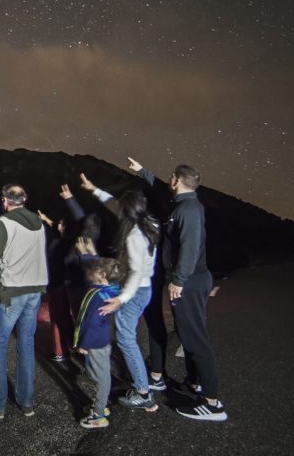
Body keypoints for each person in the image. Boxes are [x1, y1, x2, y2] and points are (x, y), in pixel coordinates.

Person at [128, 157, 228, 421]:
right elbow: (161, 191)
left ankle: (212, 402)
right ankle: (194, 383)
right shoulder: (183, 203)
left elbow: (190, 247)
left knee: (195, 339)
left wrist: (179, 280)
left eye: (170, 178)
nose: (168, 182)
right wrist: (143, 172)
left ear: (176, 179)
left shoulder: (189, 211)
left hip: (189, 281)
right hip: (191, 279)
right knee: (189, 334)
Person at [80, 174, 160, 412]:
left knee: (126, 339)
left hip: (136, 290)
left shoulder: (135, 235)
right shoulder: (149, 222)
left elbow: (136, 272)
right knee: (126, 337)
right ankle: (141, 385)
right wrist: (95, 188)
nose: (118, 210)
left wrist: (121, 299)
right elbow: (115, 204)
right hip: (144, 288)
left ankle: (144, 393)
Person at [0, 184, 48, 419]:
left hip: (13, 290)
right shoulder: (39, 223)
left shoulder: (4, 222)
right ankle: (26, 402)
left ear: (5, 201)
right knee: (26, 343)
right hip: (35, 289)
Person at [73, 257, 123, 428]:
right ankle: (100, 404)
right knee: (100, 374)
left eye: (93, 270)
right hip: (102, 340)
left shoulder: (97, 295)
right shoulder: (111, 290)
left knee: (99, 377)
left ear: (101, 275)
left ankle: (99, 415)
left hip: (95, 342)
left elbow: (92, 322)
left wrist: (84, 344)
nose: (89, 273)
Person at [38, 184, 85, 362]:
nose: (57, 224)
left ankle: (60, 351)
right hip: (73, 286)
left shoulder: (55, 244)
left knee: (58, 319)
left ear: (63, 227)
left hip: (57, 286)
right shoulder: (76, 242)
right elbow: (57, 228)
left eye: (60, 223)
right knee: (77, 319)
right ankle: (79, 349)